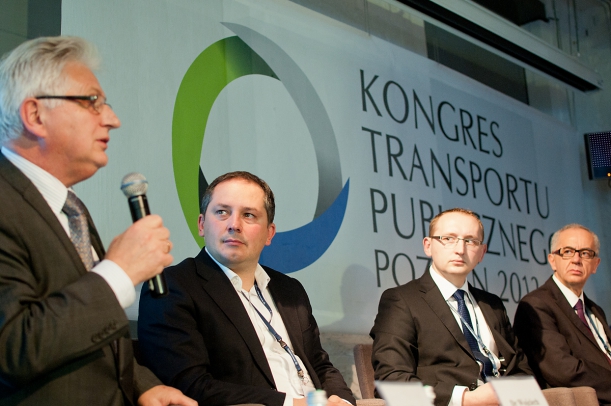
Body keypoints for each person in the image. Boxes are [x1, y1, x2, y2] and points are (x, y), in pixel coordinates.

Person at [0, 36, 196, 406]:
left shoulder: (69, 206)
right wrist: (119, 272)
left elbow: (84, 329)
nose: (113, 119)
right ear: (35, 115)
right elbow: (12, 347)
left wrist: (141, 385)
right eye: (92, 102)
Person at [138, 171, 355, 406]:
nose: (234, 225)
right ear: (201, 224)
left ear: (269, 233)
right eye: (222, 212)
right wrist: (294, 404)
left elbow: (320, 364)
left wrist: (342, 401)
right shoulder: (173, 287)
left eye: (249, 215)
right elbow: (190, 385)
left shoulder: (290, 290)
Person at [370, 208, 531, 406]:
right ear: (428, 246)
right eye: (448, 238)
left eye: (470, 241)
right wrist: (465, 399)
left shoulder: (492, 305)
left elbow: (522, 370)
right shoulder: (402, 300)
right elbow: (391, 381)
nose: (460, 249)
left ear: (482, 252)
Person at [513, 224, 611, 404]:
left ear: (595, 264)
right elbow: (564, 370)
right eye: (567, 252)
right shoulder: (536, 305)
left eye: (585, 253)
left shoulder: (595, 310)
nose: (576, 259)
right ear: (552, 260)